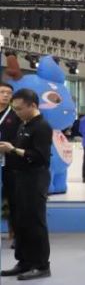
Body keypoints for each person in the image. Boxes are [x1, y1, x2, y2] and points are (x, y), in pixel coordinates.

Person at [0, 89, 53, 281]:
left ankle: (41, 265)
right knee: (19, 220)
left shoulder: (42, 127)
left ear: (33, 105)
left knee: (35, 222)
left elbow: (40, 157)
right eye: (14, 109)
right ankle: (24, 261)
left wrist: (13, 149)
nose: (17, 112)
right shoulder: (24, 124)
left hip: (34, 179)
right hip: (18, 178)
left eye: (20, 109)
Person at [0, 82, 21, 250]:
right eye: (2, 92)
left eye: (9, 93)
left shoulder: (16, 115)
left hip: (9, 162)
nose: (6, 95)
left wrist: (9, 147)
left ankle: (15, 235)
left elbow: (21, 139)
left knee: (12, 199)